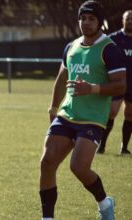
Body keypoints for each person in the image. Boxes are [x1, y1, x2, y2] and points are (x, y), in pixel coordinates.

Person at [40, 1, 126, 220]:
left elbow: (121, 85)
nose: (86, 23)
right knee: (47, 162)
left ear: (100, 22)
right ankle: (47, 218)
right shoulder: (71, 47)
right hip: (67, 115)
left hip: (92, 119)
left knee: (78, 168)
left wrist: (92, 88)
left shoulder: (109, 49)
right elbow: (61, 79)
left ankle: (105, 203)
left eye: (91, 19)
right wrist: (53, 106)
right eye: (83, 18)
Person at [97, 10, 132, 155]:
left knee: (130, 114)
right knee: (112, 112)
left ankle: (124, 148)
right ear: (122, 20)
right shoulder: (114, 39)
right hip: (117, 82)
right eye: (128, 18)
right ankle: (102, 145)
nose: (130, 21)